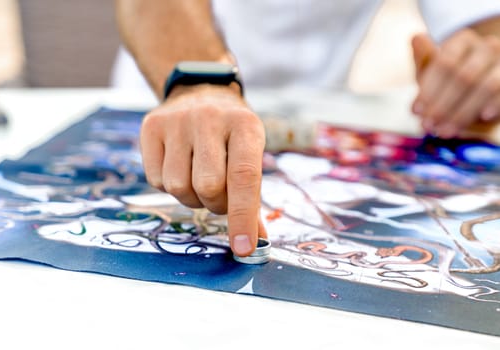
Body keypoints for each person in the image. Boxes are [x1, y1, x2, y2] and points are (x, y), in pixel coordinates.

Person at [115, 0, 500, 257]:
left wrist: (477, 72)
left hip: (320, 126)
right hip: (165, 111)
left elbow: (483, 27)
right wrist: (201, 82)